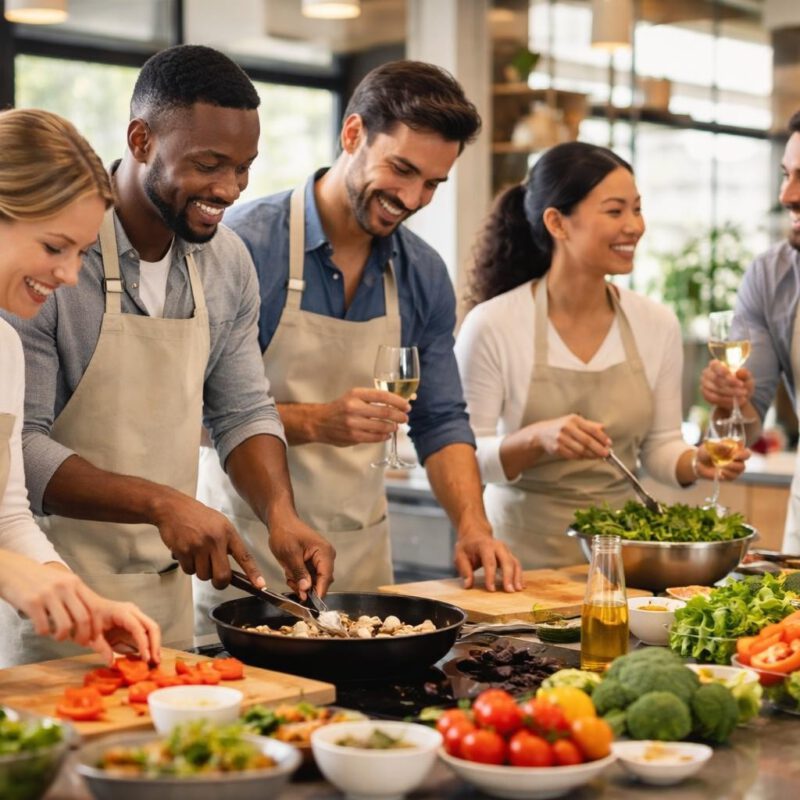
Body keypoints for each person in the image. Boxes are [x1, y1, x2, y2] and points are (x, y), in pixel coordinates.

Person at [1, 45, 333, 663]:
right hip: (43, 603)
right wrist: (161, 502)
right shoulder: (39, 278)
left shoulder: (227, 261)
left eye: (244, 168)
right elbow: (21, 453)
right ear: (141, 139)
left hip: (156, 593)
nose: (230, 188)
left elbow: (242, 410)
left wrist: (280, 516)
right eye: (210, 163)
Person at [193, 59, 523, 631]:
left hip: (362, 566)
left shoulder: (421, 274)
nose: (414, 198)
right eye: (402, 169)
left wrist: (473, 525)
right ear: (352, 134)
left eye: (432, 184)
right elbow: (195, 413)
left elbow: (441, 420)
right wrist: (318, 422)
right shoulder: (245, 246)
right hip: (248, 562)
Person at [454, 141, 748, 568]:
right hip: (516, 562)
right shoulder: (493, 324)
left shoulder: (655, 323)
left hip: (620, 560)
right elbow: (461, 460)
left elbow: (661, 448)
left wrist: (695, 461)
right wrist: (536, 438)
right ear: (557, 222)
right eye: (615, 211)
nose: (634, 226)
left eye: (637, 209)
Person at [0, 107, 160, 667]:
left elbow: (7, 514)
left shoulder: (5, 348)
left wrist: (84, 602)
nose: (69, 275)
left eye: (81, 253)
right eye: (53, 247)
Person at [701, 109, 800, 552]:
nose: (787, 194)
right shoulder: (771, 277)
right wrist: (728, 402)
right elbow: (745, 418)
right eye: (785, 175)